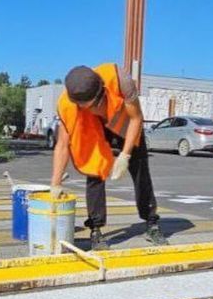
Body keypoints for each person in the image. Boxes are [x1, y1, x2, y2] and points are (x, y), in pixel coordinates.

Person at [50, 64, 168, 250]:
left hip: (126, 122)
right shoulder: (67, 105)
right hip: (94, 128)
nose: (94, 110)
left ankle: (151, 222)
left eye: (96, 105)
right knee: (94, 170)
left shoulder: (121, 81)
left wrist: (125, 154)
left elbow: (137, 118)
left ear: (102, 91)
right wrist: (55, 184)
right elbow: (62, 145)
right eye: (87, 108)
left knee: (140, 170)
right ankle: (96, 229)